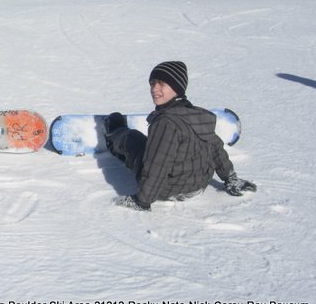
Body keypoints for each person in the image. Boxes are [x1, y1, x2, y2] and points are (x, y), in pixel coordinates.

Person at [104, 61, 256, 211]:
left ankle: (114, 131)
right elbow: (216, 149)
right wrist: (230, 178)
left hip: (168, 190)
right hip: (198, 185)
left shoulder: (165, 124)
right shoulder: (199, 116)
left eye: (162, 84)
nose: (154, 89)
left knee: (134, 139)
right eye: (152, 83)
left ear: (177, 87)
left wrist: (142, 201)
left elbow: (157, 164)